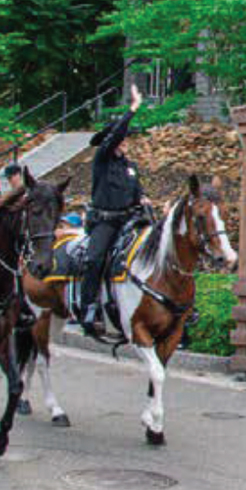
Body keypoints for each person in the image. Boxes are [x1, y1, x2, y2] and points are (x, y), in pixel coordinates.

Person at [78, 84, 147, 331]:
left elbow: (137, 190)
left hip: (129, 219)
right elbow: (116, 134)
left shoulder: (130, 167)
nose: (126, 141)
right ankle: (88, 307)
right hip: (106, 221)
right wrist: (133, 108)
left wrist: (143, 199)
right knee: (95, 259)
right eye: (122, 138)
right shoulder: (102, 159)